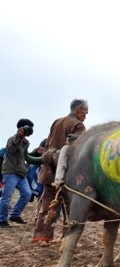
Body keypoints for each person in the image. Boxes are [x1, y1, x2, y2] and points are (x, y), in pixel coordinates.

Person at [32, 99, 88, 246]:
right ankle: (67, 238)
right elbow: (79, 149)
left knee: (47, 205)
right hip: (66, 173)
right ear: (79, 110)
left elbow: (48, 144)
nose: (85, 116)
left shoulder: (56, 121)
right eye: (85, 113)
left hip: (49, 170)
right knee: (70, 207)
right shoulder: (78, 125)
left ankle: (43, 238)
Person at [0, 119, 41, 227]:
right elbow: (11, 150)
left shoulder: (25, 143)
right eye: (28, 128)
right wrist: (17, 136)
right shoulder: (12, 139)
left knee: (27, 194)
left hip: (21, 174)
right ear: (21, 128)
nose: (30, 131)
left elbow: (24, 157)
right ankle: (2, 219)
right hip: (10, 172)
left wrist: (35, 152)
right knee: (6, 197)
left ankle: (14, 215)